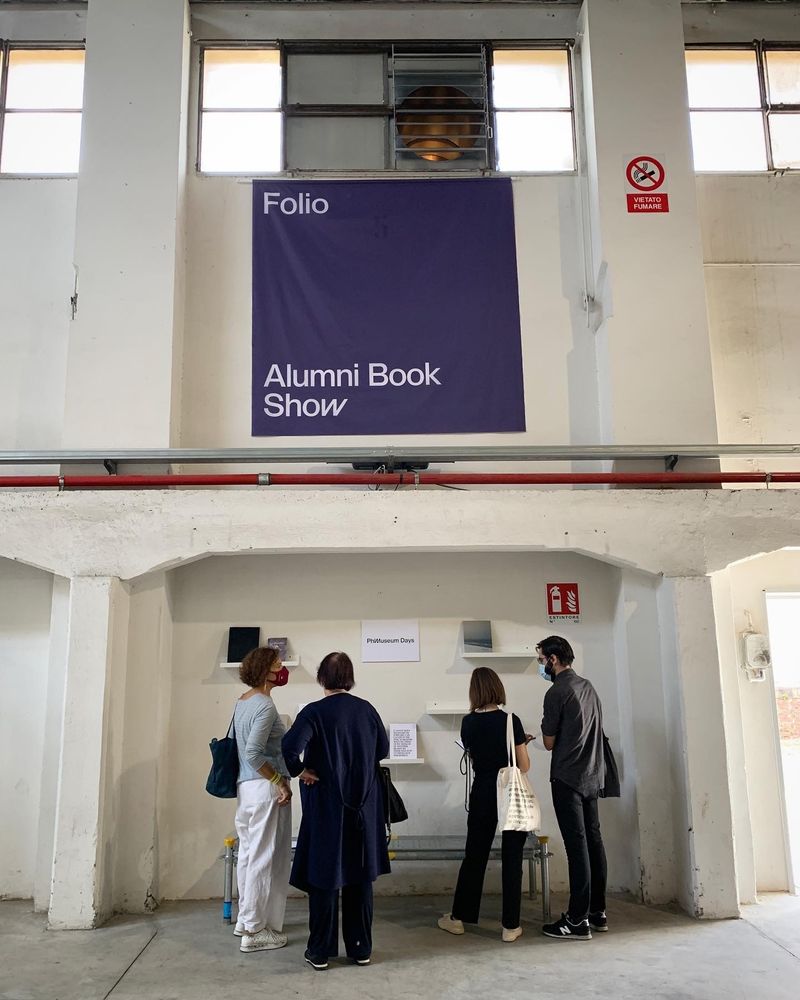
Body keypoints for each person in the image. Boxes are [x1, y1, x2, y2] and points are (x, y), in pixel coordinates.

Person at [281, 651, 390, 971]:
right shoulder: (367, 709)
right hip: (364, 807)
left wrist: (301, 771)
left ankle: (320, 951)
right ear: (350, 678)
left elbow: (288, 750)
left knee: (324, 877)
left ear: (321, 678)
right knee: (360, 876)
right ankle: (360, 949)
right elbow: (382, 750)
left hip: (326, 808)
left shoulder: (313, 712)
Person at [438, 667, 531, 943]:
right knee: (512, 856)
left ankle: (459, 918)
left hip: (482, 792)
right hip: (509, 792)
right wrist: (522, 743)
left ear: (474, 691)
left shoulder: (468, 723)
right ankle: (510, 926)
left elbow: (474, 755)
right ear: (497, 687)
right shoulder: (511, 720)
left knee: (475, 855)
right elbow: (524, 765)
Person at [537, 635, 608, 941]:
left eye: (541, 660)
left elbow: (549, 742)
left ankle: (577, 920)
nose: (541, 665)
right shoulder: (588, 687)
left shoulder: (556, 692)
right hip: (592, 773)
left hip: (567, 777)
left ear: (553, 659)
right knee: (594, 842)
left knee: (576, 847)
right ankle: (597, 911)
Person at [232, 645, 293, 954]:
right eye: (278, 664)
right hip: (264, 787)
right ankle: (255, 931)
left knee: (247, 855)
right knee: (263, 857)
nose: (282, 668)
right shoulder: (265, 706)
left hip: (246, 789)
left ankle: (246, 920)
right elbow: (254, 753)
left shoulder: (243, 702)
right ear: (265, 671)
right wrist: (279, 781)